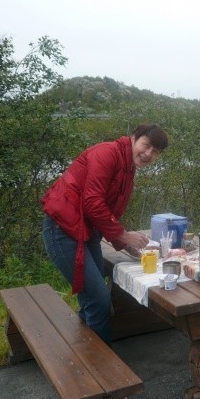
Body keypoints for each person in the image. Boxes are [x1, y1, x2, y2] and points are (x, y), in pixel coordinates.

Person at [41, 123, 169, 345]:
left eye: (154, 152)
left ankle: (86, 353)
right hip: (62, 230)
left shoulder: (128, 167)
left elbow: (107, 213)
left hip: (84, 231)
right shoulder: (107, 153)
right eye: (146, 145)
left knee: (92, 296)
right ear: (133, 138)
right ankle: (100, 366)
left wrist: (125, 243)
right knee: (99, 299)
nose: (148, 154)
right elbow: (92, 203)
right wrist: (124, 235)